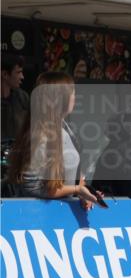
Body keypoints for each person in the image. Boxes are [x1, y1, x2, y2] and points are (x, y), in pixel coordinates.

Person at [5, 72, 97, 209]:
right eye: (72, 92)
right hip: (36, 219)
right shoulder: (40, 136)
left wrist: (84, 193)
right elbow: (32, 187)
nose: (75, 97)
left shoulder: (65, 128)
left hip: (62, 216)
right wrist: (76, 189)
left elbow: (75, 174)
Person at [1, 54, 30, 144]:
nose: (22, 77)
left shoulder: (23, 98)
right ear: (5, 74)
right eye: (18, 72)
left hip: (18, 154)